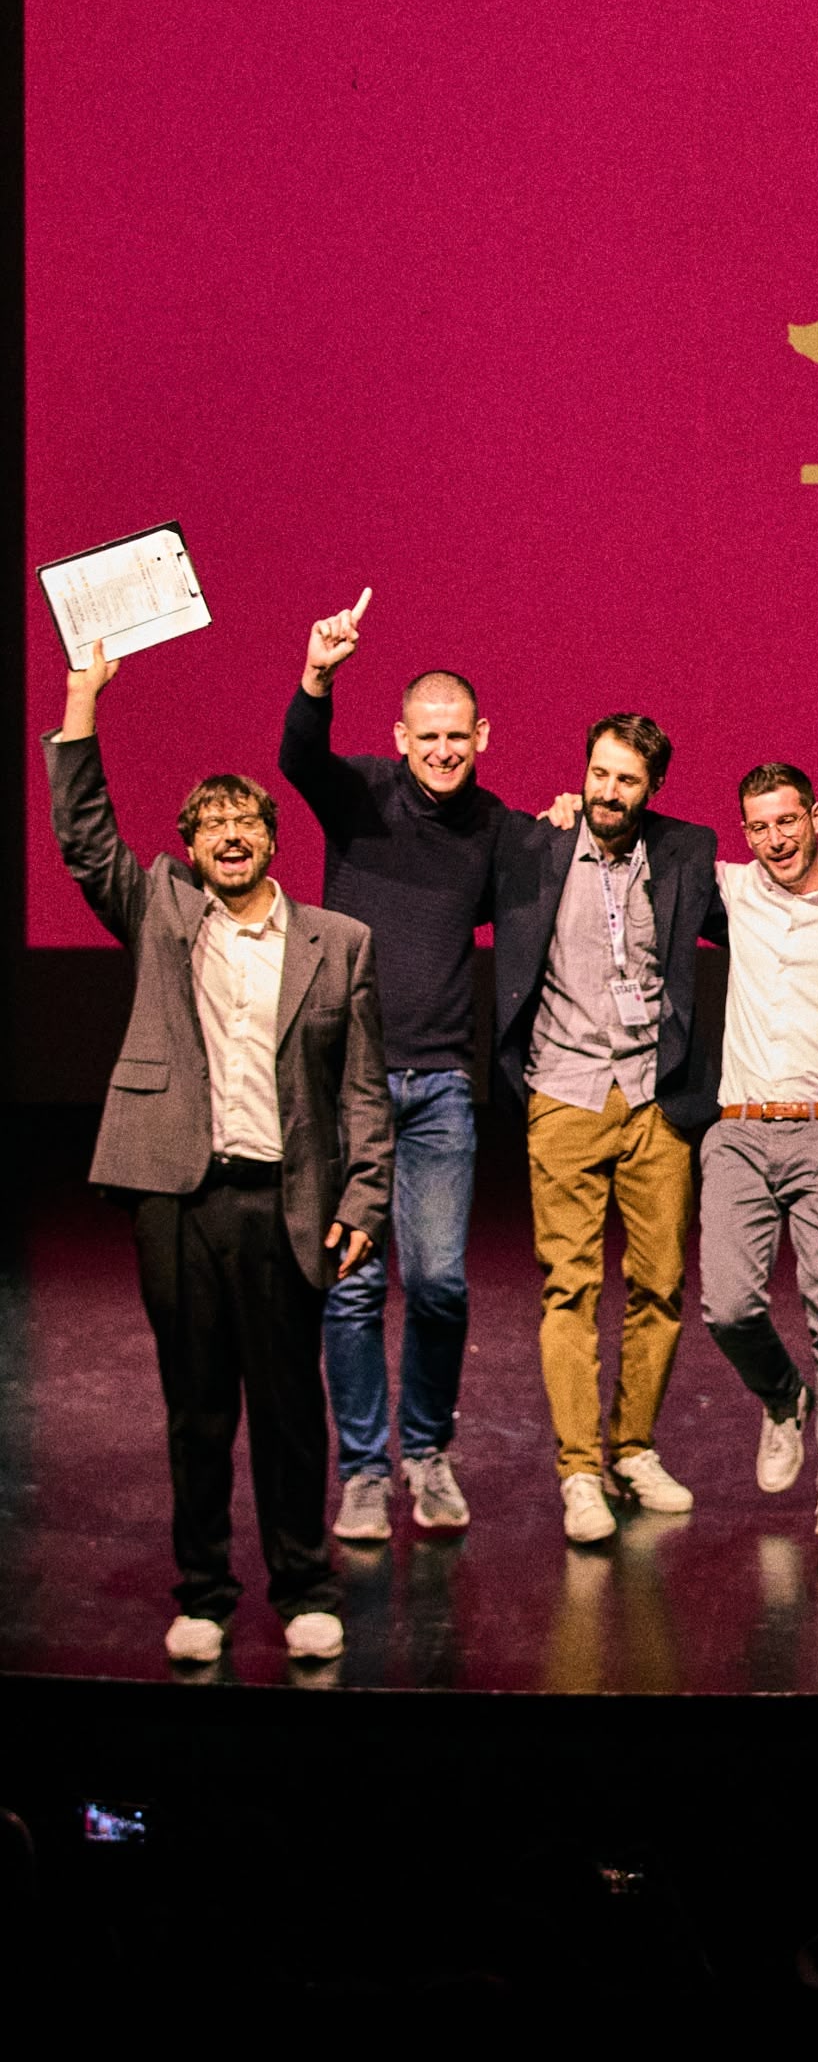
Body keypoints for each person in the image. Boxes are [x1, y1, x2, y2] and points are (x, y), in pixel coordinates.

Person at [45, 637, 393, 1663]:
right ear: (190, 845)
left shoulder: (338, 941)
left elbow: (363, 1090)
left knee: (289, 1411)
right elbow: (84, 836)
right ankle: (202, 1592)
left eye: (247, 822)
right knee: (196, 1410)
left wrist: (363, 1201)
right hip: (179, 1197)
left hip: (287, 1200)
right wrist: (82, 700)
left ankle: (304, 1587)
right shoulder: (162, 912)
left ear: (273, 838)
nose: (231, 836)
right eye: (211, 824)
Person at [279, 589, 506, 1543]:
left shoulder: (493, 826)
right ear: (402, 738)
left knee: (441, 1283)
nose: (443, 751)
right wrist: (318, 674)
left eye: (458, 736)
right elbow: (299, 758)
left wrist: (571, 812)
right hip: (351, 1086)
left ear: (481, 737)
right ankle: (367, 1471)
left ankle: (427, 1450)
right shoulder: (363, 793)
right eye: (429, 736)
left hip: (443, 1084)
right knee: (355, 1285)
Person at [491, 713, 725, 1543]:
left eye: (626, 779)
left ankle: (633, 1447)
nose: (608, 792)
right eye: (599, 773)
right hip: (564, 1091)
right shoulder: (537, 844)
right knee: (570, 1285)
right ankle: (580, 1470)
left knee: (661, 1283)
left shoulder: (686, 851)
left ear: (652, 787)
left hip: (654, 1097)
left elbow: (754, 917)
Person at [701, 762, 818, 1551]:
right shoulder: (733, 890)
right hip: (741, 1130)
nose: (775, 838)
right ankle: (783, 1396)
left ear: (816, 815)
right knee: (727, 1305)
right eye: (759, 827)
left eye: (787, 820)